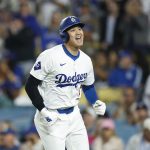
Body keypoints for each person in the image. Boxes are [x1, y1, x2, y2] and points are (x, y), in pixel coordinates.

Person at [25, 16, 106, 150]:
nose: (78, 32)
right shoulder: (50, 56)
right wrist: (43, 110)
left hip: (74, 114)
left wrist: (95, 101)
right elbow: (30, 85)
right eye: (73, 30)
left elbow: (88, 85)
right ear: (64, 34)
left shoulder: (86, 60)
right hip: (51, 115)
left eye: (80, 29)